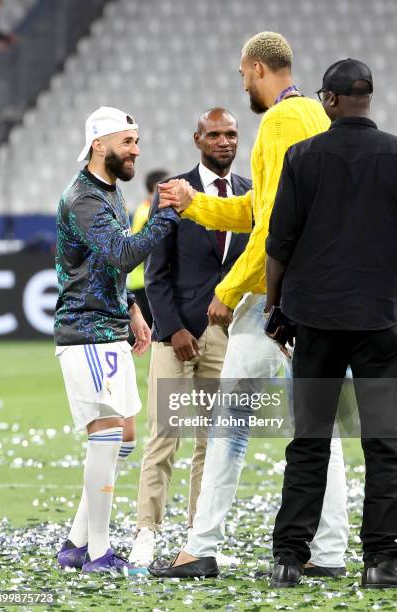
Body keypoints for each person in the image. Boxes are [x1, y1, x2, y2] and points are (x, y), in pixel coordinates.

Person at [149, 31, 349, 579]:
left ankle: (201, 546)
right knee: (319, 430)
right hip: (313, 298)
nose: (242, 86)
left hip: (270, 300)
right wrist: (196, 206)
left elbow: (273, 230)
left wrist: (229, 288)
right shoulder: (315, 116)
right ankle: (329, 552)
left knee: (229, 429)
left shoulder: (280, 122)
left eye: (242, 76)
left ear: (259, 69)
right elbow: (261, 211)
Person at [265, 59, 397, 588]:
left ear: (329, 100)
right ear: (367, 97)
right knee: (385, 443)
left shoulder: (303, 156)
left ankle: (288, 558)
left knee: (309, 441)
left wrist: (276, 308)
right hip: (382, 318)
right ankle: (382, 561)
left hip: (316, 320)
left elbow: (279, 243)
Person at [54, 106, 180, 574]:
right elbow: (124, 252)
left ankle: (76, 542)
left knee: (123, 436)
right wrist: (166, 215)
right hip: (86, 332)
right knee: (107, 434)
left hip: (108, 325)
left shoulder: (111, 191)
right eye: (128, 141)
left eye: (137, 140)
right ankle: (99, 553)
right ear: (99, 144)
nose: (136, 150)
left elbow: (108, 263)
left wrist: (131, 310)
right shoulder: (83, 197)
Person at [129, 108, 250, 567]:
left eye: (231, 134)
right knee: (164, 436)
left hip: (226, 335)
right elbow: (156, 274)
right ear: (197, 139)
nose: (224, 141)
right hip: (174, 335)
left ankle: (198, 541)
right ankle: (147, 532)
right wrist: (175, 328)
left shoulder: (248, 194)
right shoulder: (173, 192)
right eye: (215, 134)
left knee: (212, 443)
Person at [127, 169, 169, 328]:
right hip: (145, 277)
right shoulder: (150, 213)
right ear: (157, 186)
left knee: (146, 325)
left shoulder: (143, 207)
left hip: (140, 277)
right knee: (149, 326)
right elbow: (153, 246)